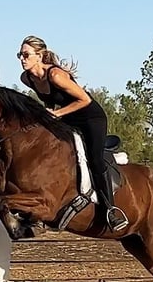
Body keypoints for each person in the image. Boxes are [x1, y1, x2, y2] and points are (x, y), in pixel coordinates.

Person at [17, 35, 128, 232]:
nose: (22, 59)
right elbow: (49, 101)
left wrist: (57, 113)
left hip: (90, 117)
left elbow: (85, 100)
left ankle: (111, 209)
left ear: (39, 56)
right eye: (20, 55)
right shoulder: (27, 78)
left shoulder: (56, 75)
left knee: (94, 160)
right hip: (68, 116)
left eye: (25, 54)